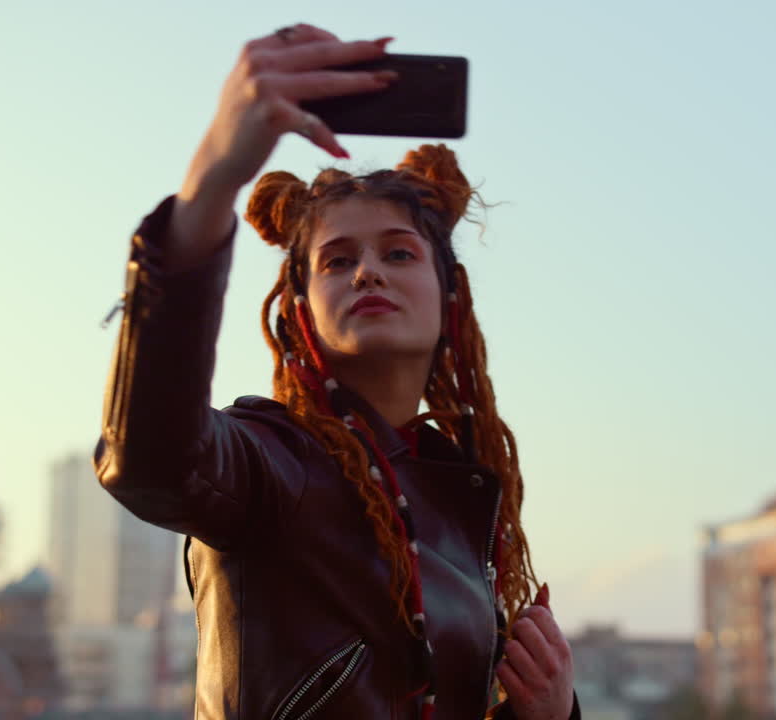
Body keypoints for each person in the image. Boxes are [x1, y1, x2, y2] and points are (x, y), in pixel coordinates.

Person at [95, 23, 579, 720]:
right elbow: (150, 460)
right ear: (301, 310)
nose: (367, 272)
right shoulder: (271, 462)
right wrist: (215, 178)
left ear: (451, 297)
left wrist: (548, 713)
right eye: (337, 260)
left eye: (399, 253)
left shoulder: (458, 501)